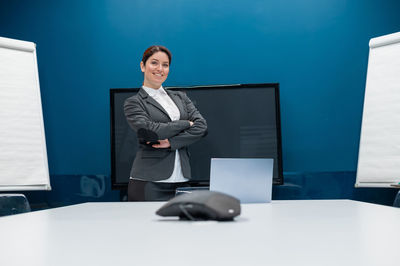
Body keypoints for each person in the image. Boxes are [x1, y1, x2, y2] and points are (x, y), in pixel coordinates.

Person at [124, 45, 207, 201]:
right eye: (154, 63)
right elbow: (152, 131)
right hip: (149, 182)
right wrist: (185, 124)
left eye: (165, 65)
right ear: (143, 66)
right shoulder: (134, 103)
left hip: (182, 182)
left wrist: (171, 142)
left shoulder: (180, 97)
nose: (160, 69)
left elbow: (201, 127)